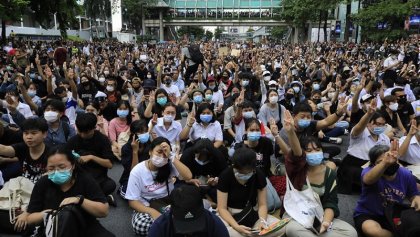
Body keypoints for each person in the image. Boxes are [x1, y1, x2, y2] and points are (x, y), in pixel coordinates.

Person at [282, 109, 357, 237]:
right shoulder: (296, 169)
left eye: (317, 149)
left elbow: (331, 203)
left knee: (351, 232)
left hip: (319, 215)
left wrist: (326, 222)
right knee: (291, 229)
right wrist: (290, 132)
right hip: (297, 214)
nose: (314, 153)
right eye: (309, 151)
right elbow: (296, 154)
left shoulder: (329, 173)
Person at [24, 146, 114, 237]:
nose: (56, 172)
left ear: (73, 165)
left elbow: (104, 211)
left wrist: (80, 200)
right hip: (52, 228)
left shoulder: (85, 179)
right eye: (51, 169)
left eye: (61, 167)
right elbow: (30, 219)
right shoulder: (43, 183)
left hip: (84, 224)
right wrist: (46, 214)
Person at [125, 137, 192, 236]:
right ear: (150, 152)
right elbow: (132, 201)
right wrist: (152, 212)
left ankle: (169, 228)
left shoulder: (169, 164)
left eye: (165, 153)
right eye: (159, 152)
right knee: (140, 225)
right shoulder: (137, 171)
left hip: (168, 201)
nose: (162, 156)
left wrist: (171, 156)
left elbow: (188, 176)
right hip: (146, 205)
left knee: (192, 208)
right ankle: (176, 228)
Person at [354, 144, 420, 237]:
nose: (389, 162)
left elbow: (413, 194)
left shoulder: (405, 174)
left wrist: (416, 199)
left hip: (394, 213)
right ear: (373, 165)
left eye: (392, 159)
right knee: (372, 231)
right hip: (368, 213)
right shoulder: (368, 172)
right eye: (380, 161)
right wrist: (384, 163)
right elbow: (368, 180)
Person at [217, 147, 284, 237]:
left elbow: (262, 204)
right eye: (240, 172)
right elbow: (222, 208)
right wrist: (236, 226)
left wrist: (262, 221)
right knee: (229, 233)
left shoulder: (258, 175)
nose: (244, 175)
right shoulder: (225, 176)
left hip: (253, 212)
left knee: (280, 228)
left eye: (248, 173)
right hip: (231, 215)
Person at [338, 99, 391, 194]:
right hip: (354, 165)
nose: (380, 127)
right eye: (378, 124)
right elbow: (359, 127)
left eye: (383, 125)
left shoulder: (385, 138)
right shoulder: (360, 133)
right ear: (369, 123)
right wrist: (368, 114)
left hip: (374, 166)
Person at [65, 113, 117, 206]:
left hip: (98, 177)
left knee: (111, 185)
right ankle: (102, 199)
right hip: (79, 176)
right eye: (80, 131)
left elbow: (109, 164)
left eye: (86, 132)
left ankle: (82, 199)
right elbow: (65, 159)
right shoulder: (73, 140)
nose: (82, 135)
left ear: (94, 127)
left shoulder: (102, 139)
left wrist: (92, 157)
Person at [148, 184, 229, 237]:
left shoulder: (214, 223)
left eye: (195, 224)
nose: (189, 232)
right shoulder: (160, 227)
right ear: (172, 213)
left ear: (203, 211)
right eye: (184, 226)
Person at [0, 118, 50, 183]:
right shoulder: (22, 148)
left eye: (34, 133)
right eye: (26, 133)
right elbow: (3, 149)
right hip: (23, 188)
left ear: (44, 134)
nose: (29, 137)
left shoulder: (52, 152)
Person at [181, 138, 228, 203]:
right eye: (199, 155)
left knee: (221, 194)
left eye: (204, 156)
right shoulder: (187, 155)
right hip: (190, 183)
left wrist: (216, 180)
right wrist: (189, 180)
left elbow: (224, 175)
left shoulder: (218, 156)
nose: (201, 158)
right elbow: (179, 176)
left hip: (211, 185)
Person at [119, 120, 151, 198]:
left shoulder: (148, 144)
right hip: (131, 178)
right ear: (133, 134)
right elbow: (133, 171)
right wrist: (135, 152)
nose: (144, 134)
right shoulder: (126, 148)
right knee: (127, 193)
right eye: (141, 132)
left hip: (147, 177)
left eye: (146, 131)